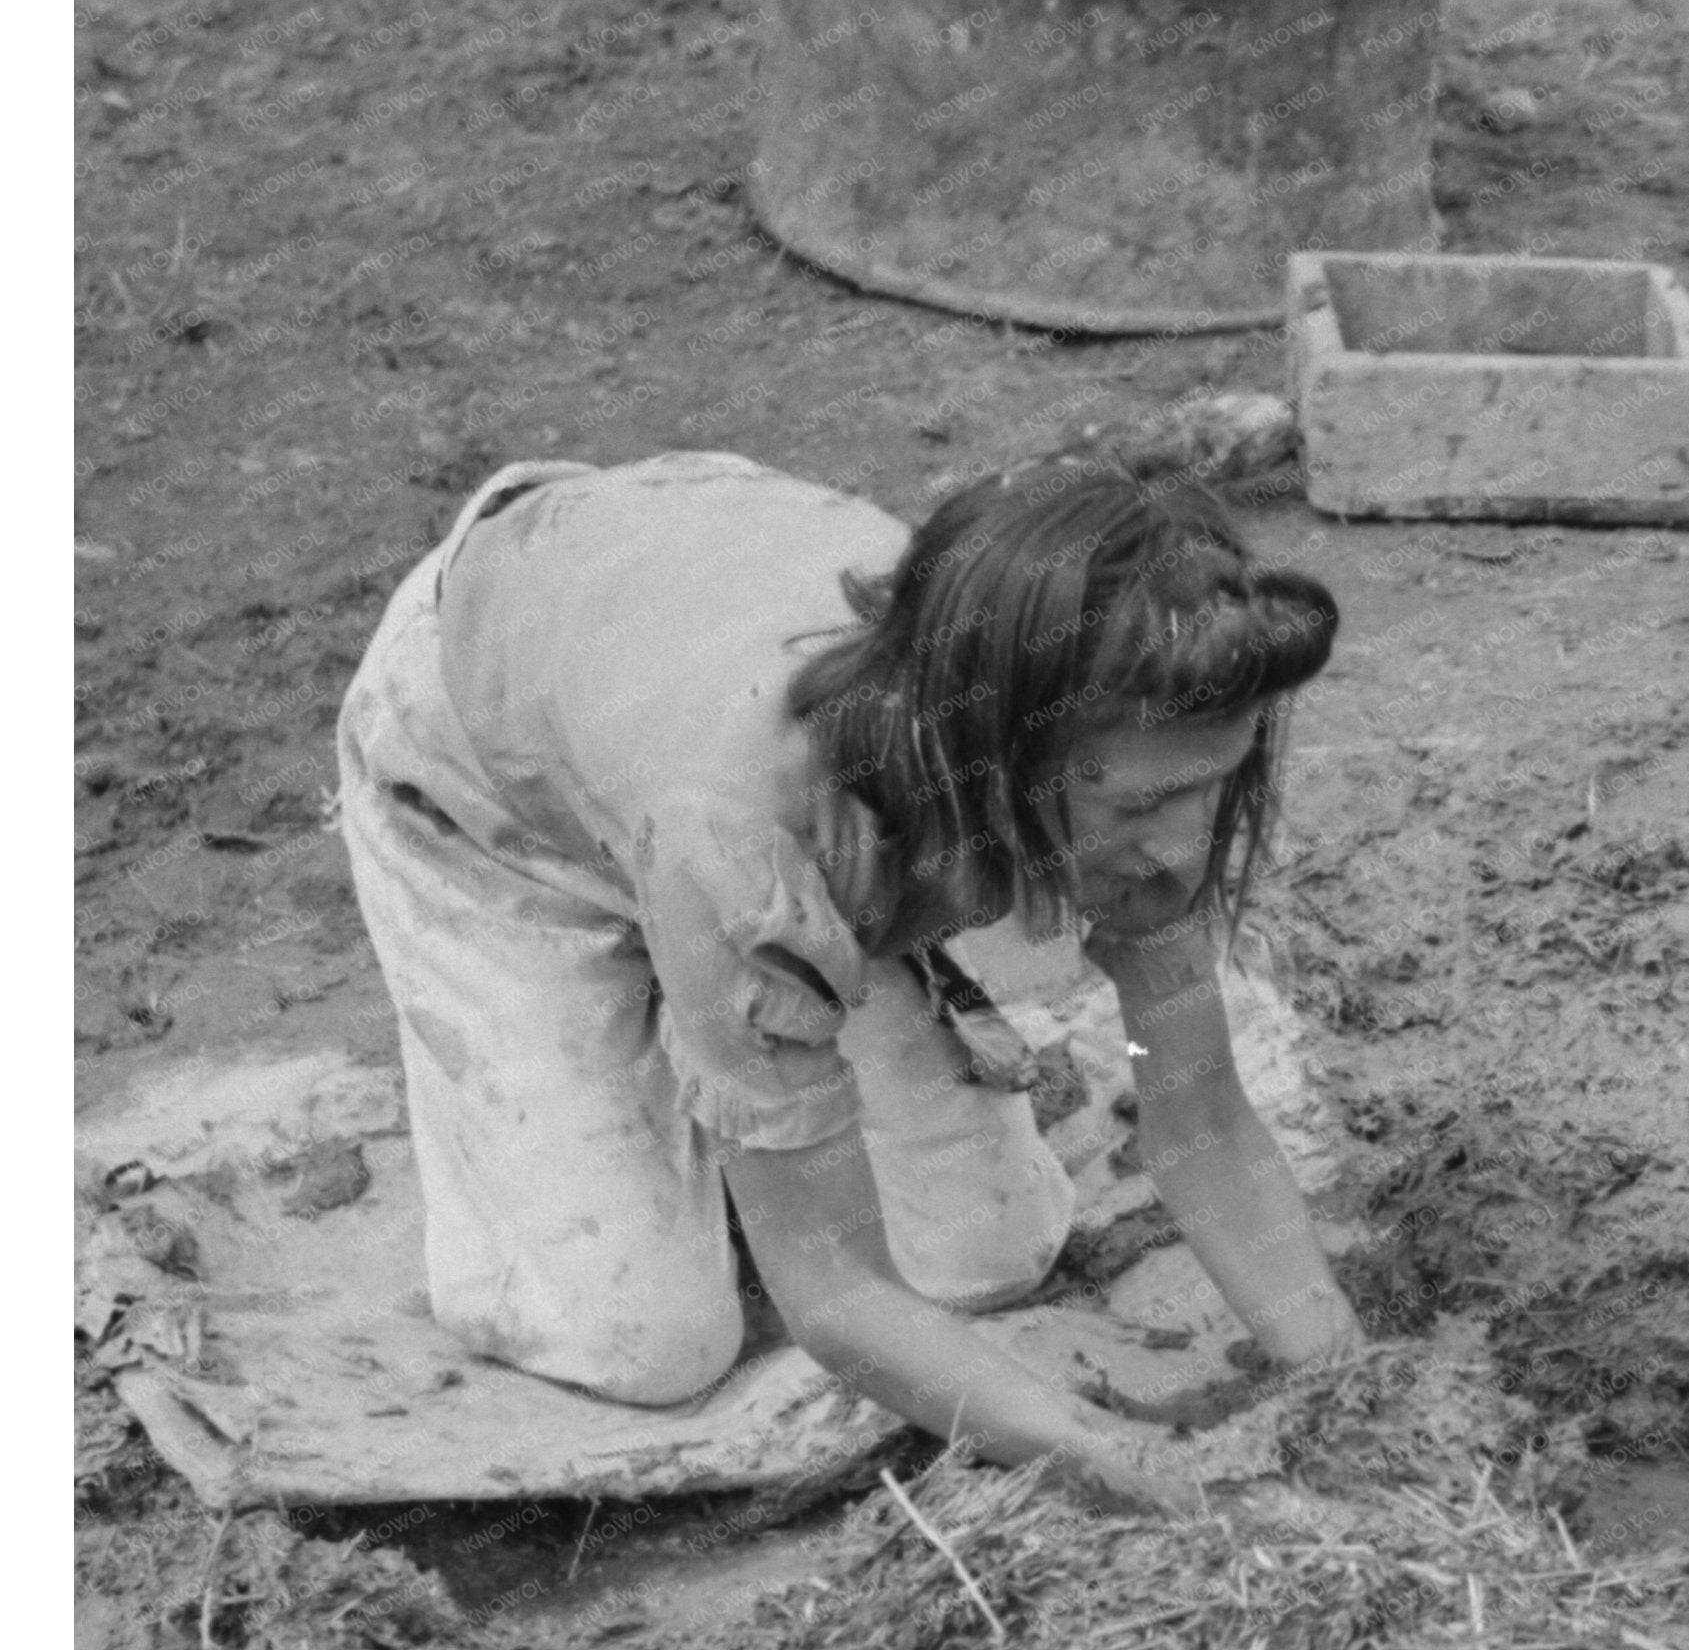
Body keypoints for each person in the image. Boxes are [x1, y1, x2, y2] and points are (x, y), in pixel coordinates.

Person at [335, 449, 1366, 1518]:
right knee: (644, 1340)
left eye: (1212, 784)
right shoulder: (748, 841)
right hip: (497, 799)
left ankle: (737, 1046)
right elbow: (833, 1294)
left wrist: (1346, 1379)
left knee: (988, 1256)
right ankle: (673, 1019)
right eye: (1150, 807)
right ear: (1006, 758)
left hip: (711, 661)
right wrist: (1112, 1459)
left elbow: (1190, 1110)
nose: (1186, 847)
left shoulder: (1140, 733)